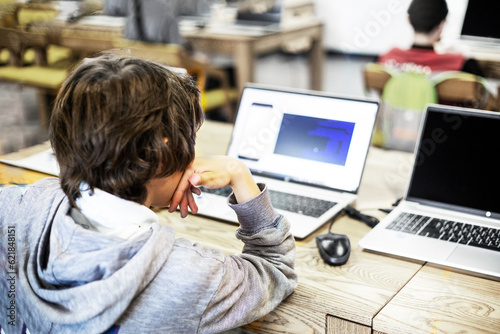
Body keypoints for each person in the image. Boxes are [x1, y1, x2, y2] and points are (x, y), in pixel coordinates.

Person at [0, 53, 297, 333]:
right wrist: (238, 173)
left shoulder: (15, 208)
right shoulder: (191, 276)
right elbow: (276, 270)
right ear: (163, 154)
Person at [378, 0, 484, 76]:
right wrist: (466, 55)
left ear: (409, 20)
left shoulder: (387, 58)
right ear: (442, 25)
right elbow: (481, 93)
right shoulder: (459, 64)